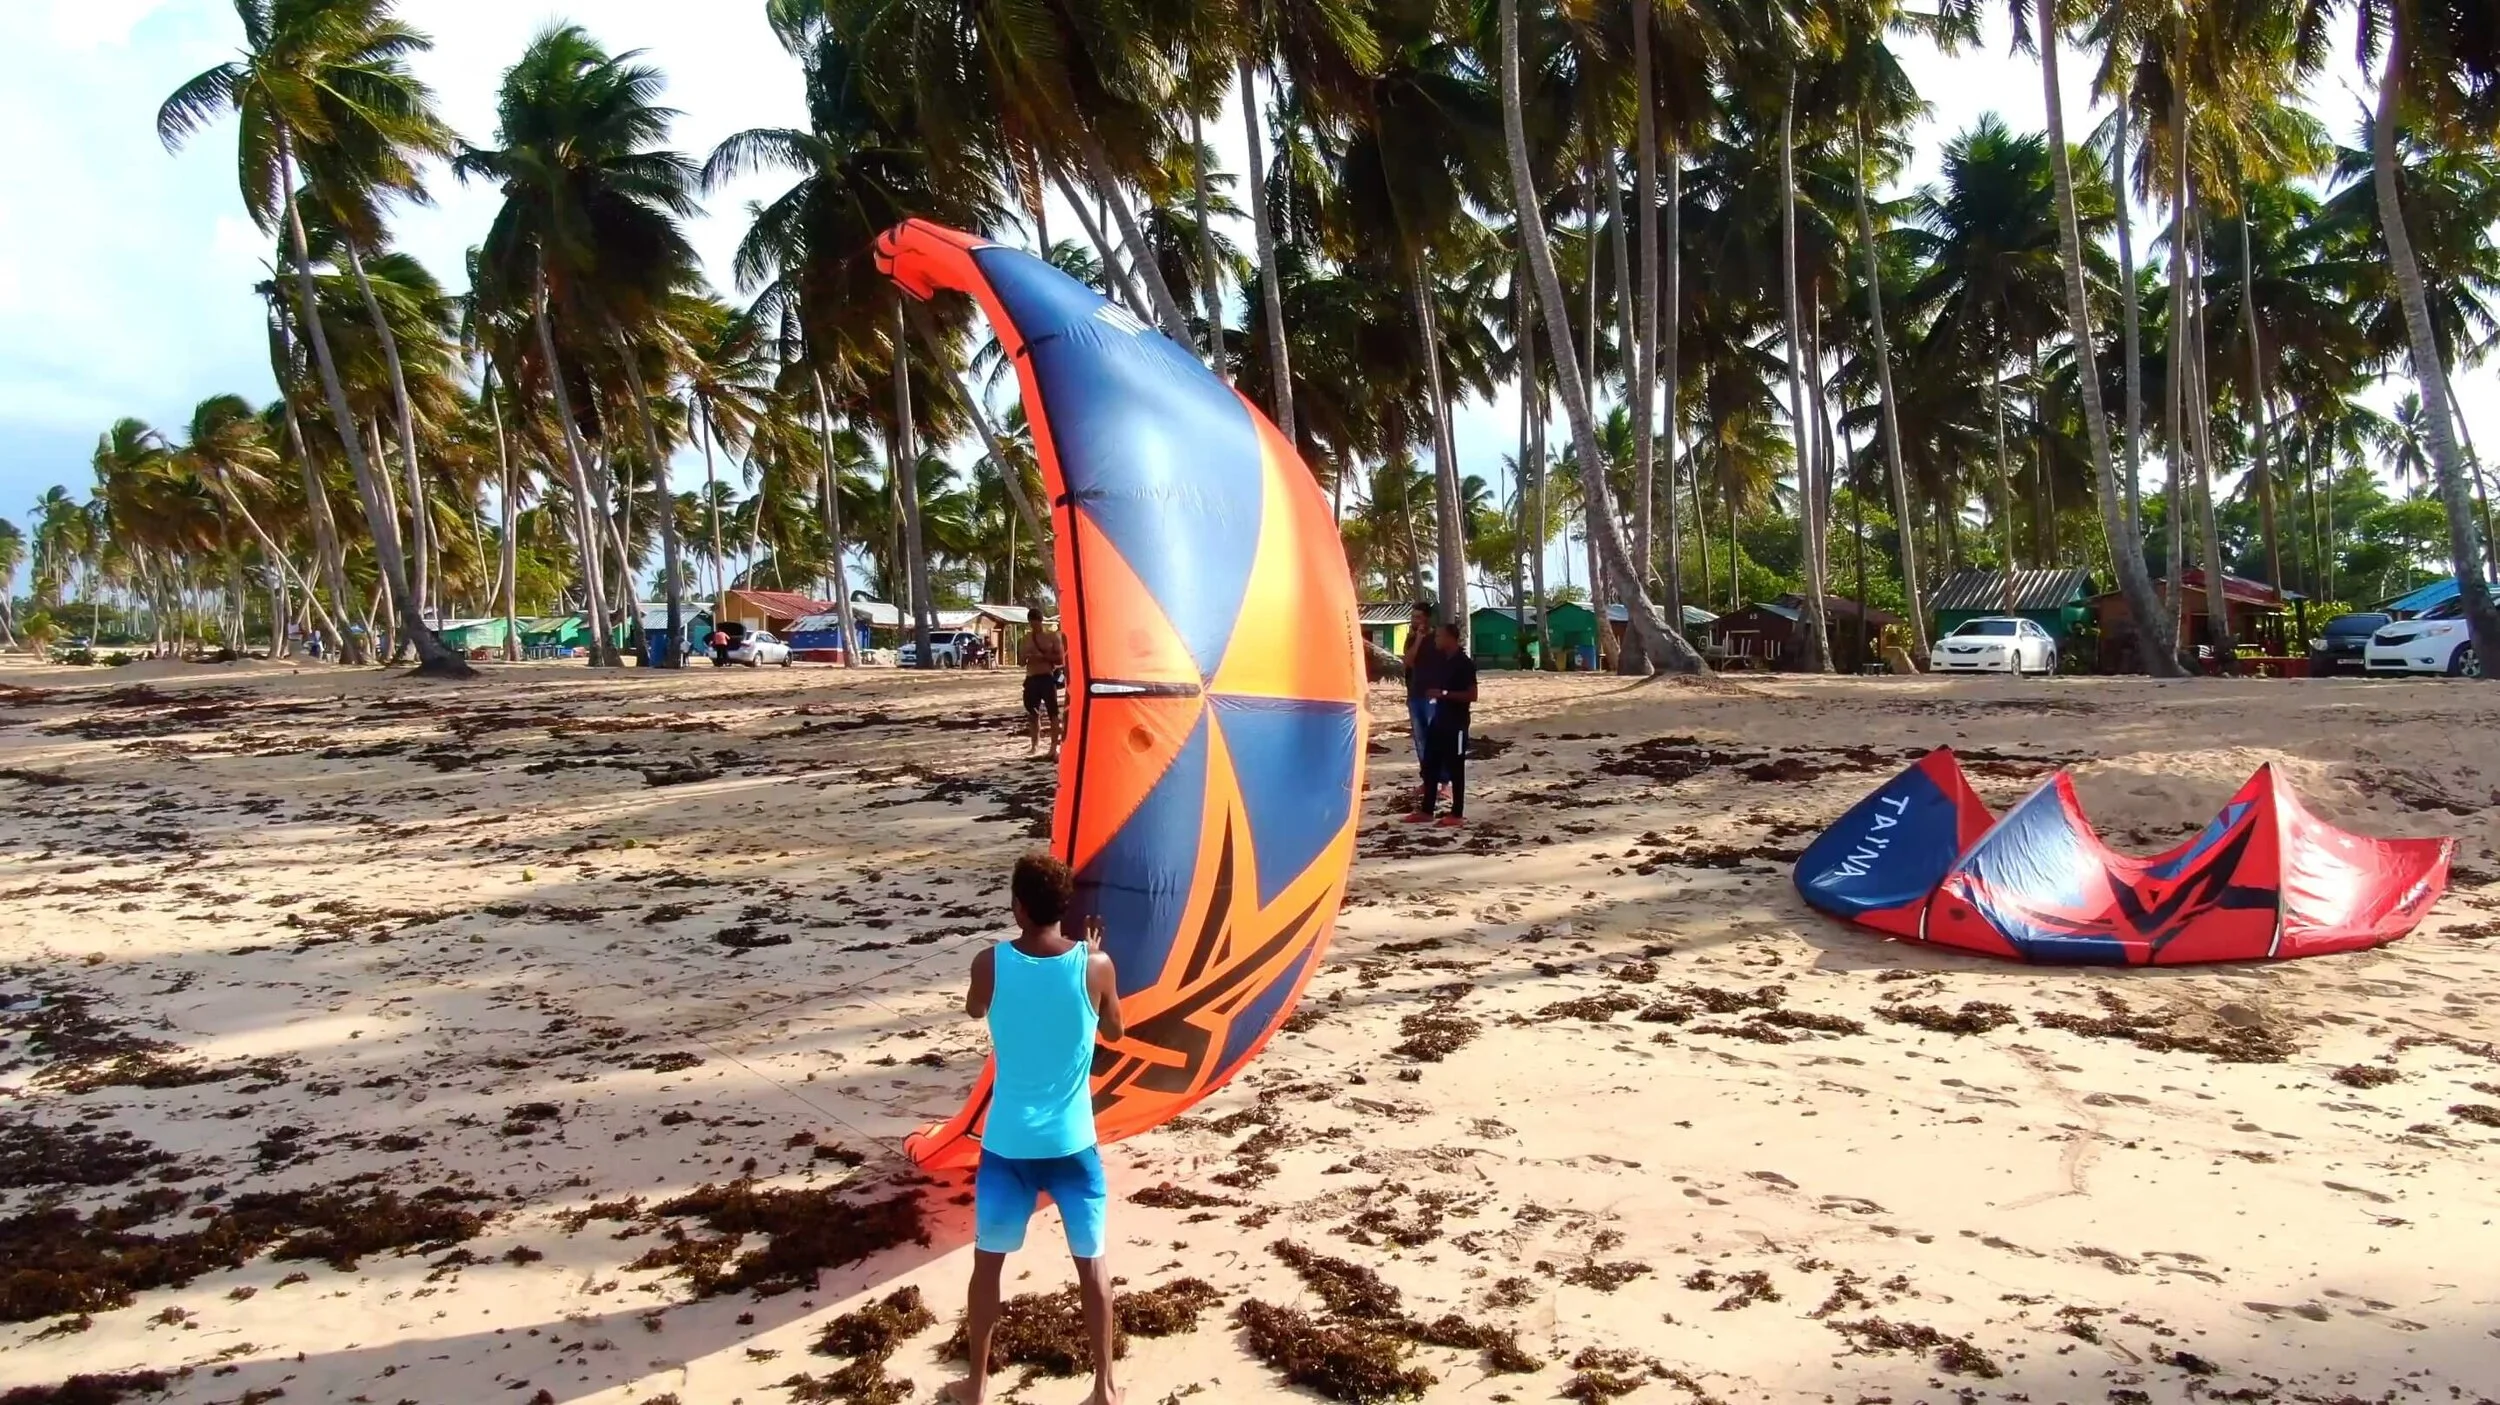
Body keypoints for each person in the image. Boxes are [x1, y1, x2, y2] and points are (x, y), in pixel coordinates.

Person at [950, 854, 1124, 1405]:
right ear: (1063, 907)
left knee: (988, 1267)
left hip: (1008, 1146)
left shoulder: (989, 963)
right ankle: (1104, 1387)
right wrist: (1094, 958)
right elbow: (1115, 1031)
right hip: (1073, 1144)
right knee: (1091, 1265)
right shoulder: (1095, 966)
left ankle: (977, 1385)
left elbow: (976, 1010)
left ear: (1018, 906)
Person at [1407, 621, 1478, 828]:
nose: (1436, 640)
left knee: (1456, 768)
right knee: (1430, 764)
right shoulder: (1442, 661)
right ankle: (1427, 810)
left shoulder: (1464, 663)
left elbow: (1472, 695)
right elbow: (1412, 663)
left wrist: (1444, 694)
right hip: (1439, 721)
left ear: (1450, 638)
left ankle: (1457, 813)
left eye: (1439, 636)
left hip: (1456, 724)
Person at [1401, 602, 1440, 785]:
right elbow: (1408, 662)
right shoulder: (1411, 639)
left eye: (1418, 616)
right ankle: (1427, 781)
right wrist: (1417, 639)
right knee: (1420, 740)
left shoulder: (1438, 638)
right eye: (1412, 616)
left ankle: (1444, 782)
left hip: (1432, 696)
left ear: (1426, 618)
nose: (1414, 620)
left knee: (1436, 739)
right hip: (1414, 695)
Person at [1025, 619, 1068, 759]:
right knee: (1033, 713)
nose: (1034, 625)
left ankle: (1053, 747)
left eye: (1036, 622)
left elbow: (1061, 659)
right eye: (1031, 622)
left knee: (1053, 714)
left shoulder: (1051, 637)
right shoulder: (1026, 639)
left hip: (1047, 678)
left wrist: (1043, 656)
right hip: (1031, 678)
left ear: (1040, 621)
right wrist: (1027, 656)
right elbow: (1020, 661)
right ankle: (1034, 746)